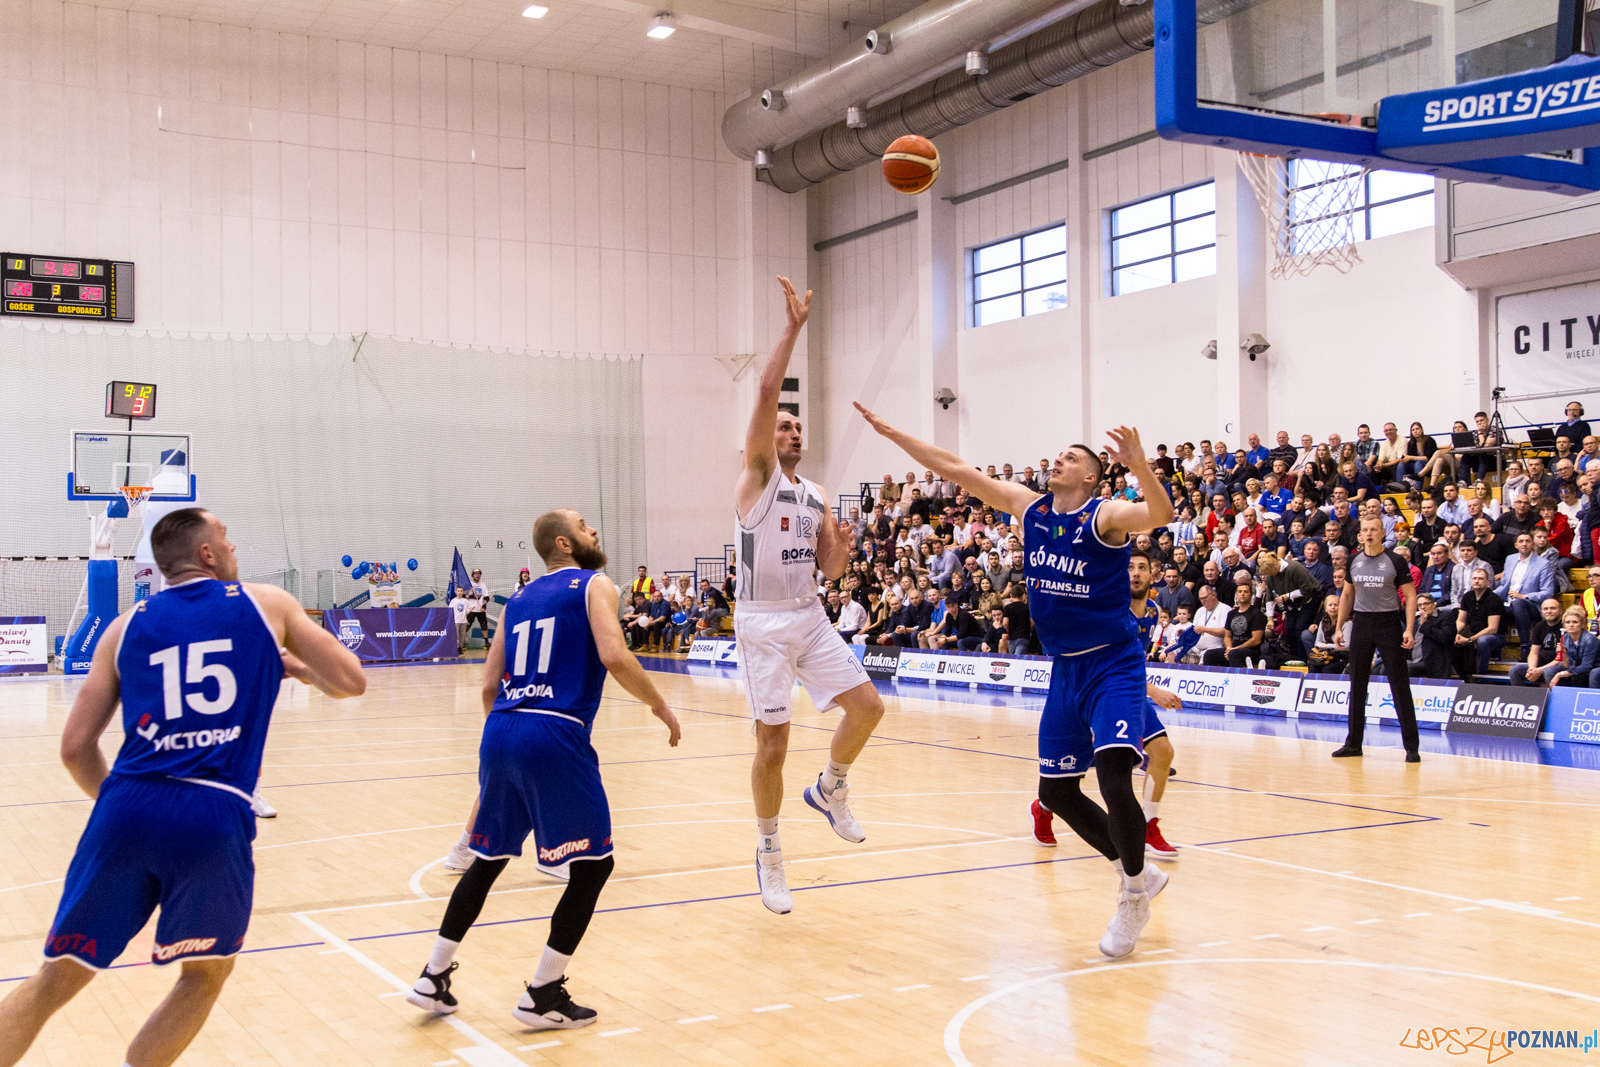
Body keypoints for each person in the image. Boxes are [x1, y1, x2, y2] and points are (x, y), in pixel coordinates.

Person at [0, 509, 366, 1067]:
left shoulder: (123, 627)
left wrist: (123, 808)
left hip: (125, 805)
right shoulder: (265, 604)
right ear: (208, 555)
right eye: (226, 537)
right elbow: (350, 682)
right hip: (210, 811)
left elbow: (75, 748)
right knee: (203, 976)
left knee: (55, 977)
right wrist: (291, 664)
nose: (234, 544)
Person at [856, 404, 1173, 958]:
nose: (1059, 461)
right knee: (1055, 792)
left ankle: (1131, 894)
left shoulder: (1105, 516)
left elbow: (1161, 514)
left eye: (1072, 458)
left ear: (1092, 475)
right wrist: (893, 433)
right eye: (1059, 455)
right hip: (1065, 669)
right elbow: (956, 468)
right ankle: (1139, 874)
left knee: (1114, 773)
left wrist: (1141, 463)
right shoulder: (1030, 508)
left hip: (1114, 663)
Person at [407, 510, 681, 1030]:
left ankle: (433, 975)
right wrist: (660, 706)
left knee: (486, 860)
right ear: (565, 542)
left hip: (503, 727)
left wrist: (507, 737)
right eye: (584, 525)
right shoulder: (596, 584)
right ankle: (542, 993)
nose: (594, 530)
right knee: (594, 867)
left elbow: (489, 686)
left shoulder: (519, 598)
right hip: (554, 729)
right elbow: (615, 655)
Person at [735, 278, 885, 916]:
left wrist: (843, 547)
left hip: (809, 614)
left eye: (798, 427)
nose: (792, 431)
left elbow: (829, 566)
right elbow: (768, 392)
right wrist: (794, 328)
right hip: (762, 622)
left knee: (869, 708)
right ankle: (769, 849)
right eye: (785, 426)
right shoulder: (758, 476)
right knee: (772, 744)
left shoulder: (819, 492)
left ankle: (830, 788)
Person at [1032, 550, 1181, 861]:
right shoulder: (1108, 611)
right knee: (1079, 767)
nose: (1136, 573)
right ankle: (1045, 805)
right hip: (1092, 691)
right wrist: (1154, 692)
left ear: (1152, 576)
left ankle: (1149, 826)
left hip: (1127, 690)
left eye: (1143, 567)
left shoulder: (1152, 611)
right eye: (1130, 568)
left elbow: (1133, 660)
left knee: (1162, 751)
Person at [1332, 516, 1420, 761]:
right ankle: (1353, 744)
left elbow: (1410, 596)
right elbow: (1347, 595)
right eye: (1365, 530)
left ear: (1382, 533)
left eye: (1373, 530)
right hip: (1361, 623)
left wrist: (1409, 628)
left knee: (1399, 684)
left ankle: (1411, 747)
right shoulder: (1353, 560)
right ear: (1360, 534)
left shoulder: (1395, 560)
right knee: (1357, 683)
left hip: (1388, 623)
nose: (1369, 534)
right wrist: (1339, 627)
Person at [1495, 532, 1556, 658]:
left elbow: (1548, 592)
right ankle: (1495, 646)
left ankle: (1525, 647)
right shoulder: (1510, 559)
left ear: (1533, 544)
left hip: (1531, 605)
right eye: (1521, 541)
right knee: (1490, 604)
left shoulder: (1543, 563)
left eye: (1527, 541)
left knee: (1518, 603)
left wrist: (1525, 596)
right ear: (1516, 545)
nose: (1524, 544)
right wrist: (1488, 596)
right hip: (1508, 603)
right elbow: (1504, 586)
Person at [1453, 569, 1506, 679]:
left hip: (1495, 637)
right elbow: (1461, 620)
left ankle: (1481, 675)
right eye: (1474, 578)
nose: (1477, 581)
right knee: (1450, 639)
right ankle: (1462, 676)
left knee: (1483, 640)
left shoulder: (1494, 599)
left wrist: (1469, 639)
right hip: (1472, 632)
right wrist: (1455, 634)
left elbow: (1492, 628)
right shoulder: (1467, 596)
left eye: (1480, 579)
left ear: (1488, 582)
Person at [1508, 598, 1566, 687]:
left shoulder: (1565, 627)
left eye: (1553, 608)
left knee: (1548, 671)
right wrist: (1532, 668)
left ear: (1561, 611)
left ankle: (1554, 699)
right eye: (1545, 609)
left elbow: (1560, 659)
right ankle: (1520, 699)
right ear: (1541, 611)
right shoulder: (1539, 626)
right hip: (1540, 665)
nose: (1549, 611)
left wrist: (1540, 670)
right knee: (1515, 670)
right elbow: (1533, 652)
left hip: (1559, 666)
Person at [1209, 584, 1265, 668]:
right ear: (1236, 595)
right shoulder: (1231, 613)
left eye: (1246, 592)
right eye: (1240, 591)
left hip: (1252, 651)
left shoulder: (1256, 613)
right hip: (1233, 649)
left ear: (1251, 595)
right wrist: (1228, 648)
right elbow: (1227, 636)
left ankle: (1237, 679)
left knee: (1233, 654)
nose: (1242, 594)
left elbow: (1256, 640)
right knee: (1209, 654)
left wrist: (1235, 649)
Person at [1410, 594, 1455, 679]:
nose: (1423, 607)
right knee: (1383, 668)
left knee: (1407, 668)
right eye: (1420, 605)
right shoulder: (1416, 621)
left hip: (1434, 661)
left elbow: (1445, 637)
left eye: (1426, 604)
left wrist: (1425, 624)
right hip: (1414, 660)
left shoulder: (1445, 617)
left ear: (1434, 604)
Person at [450, 585, 472, 656]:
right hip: (456, 621)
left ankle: (460, 648)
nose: (459, 592)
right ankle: (454, 648)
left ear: (463, 592)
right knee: (455, 635)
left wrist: (467, 612)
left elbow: (472, 606)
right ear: (456, 592)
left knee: (462, 635)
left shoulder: (465, 601)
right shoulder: (453, 601)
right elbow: (450, 610)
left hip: (463, 621)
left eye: (461, 591)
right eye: (458, 591)